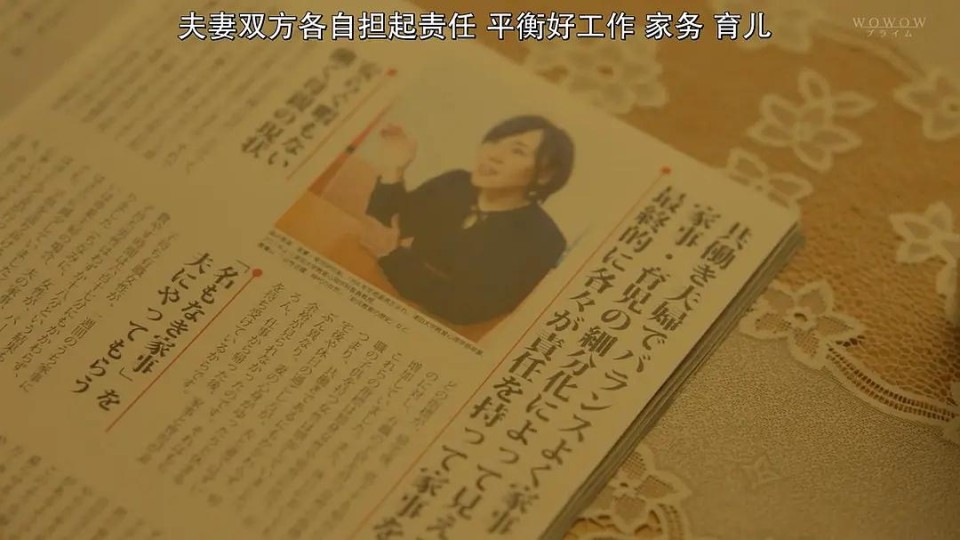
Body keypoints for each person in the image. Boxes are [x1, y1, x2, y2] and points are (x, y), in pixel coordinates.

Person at [360, 115, 574, 326]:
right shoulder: (455, 183)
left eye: (517, 151)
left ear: (545, 174)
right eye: (494, 142)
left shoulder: (544, 240)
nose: (494, 155)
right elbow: (380, 229)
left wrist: (393, 259)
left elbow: (466, 308)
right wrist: (394, 169)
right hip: (385, 294)